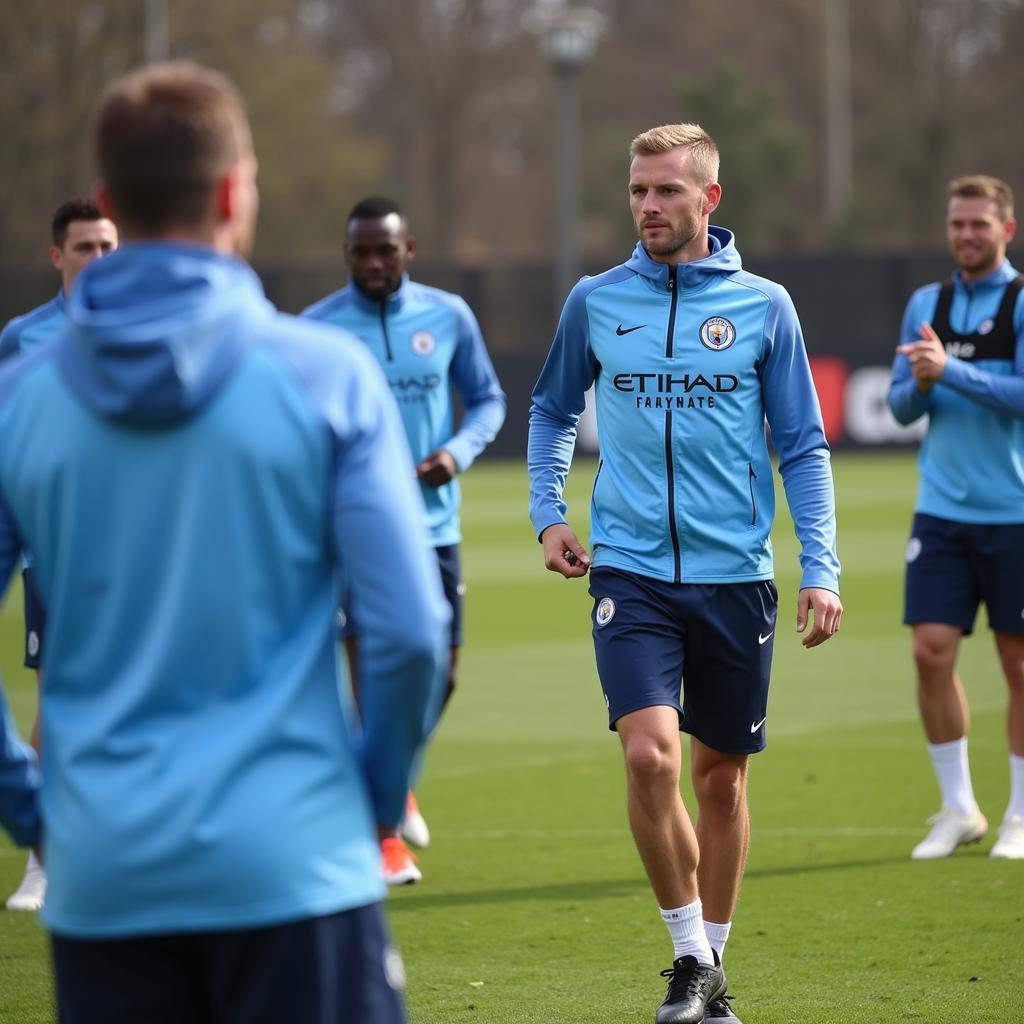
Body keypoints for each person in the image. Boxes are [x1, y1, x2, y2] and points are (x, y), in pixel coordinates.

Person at [0, 60, 449, 1024]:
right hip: (294, 865)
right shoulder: (324, 376)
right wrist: (373, 804)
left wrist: (28, 806)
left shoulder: (20, 399)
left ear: (113, 203)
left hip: (105, 879)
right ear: (235, 193)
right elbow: (410, 632)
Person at [528, 123, 842, 1024]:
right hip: (629, 573)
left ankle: (714, 971)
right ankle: (687, 958)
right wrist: (549, 516)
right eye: (637, 190)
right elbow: (551, 411)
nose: (649, 206)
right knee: (648, 754)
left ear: (710, 198)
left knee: (721, 782)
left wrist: (820, 567)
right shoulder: (594, 300)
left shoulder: (765, 307)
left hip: (736, 576)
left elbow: (804, 446)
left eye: (667, 190)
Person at [303, 196, 506, 885]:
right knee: (372, 675)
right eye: (360, 251)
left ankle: (397, 776)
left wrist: (456, 452)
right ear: (347, 254)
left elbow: (488, 400)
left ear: (408, 250)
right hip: (356, 531)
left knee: (439, 675)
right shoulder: (319, 330)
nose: (372, 262)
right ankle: (383, 839)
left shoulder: (448, 316)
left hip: (435, 525)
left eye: (384, 250)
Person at [887, 175, 1024, 862]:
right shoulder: (926, 302)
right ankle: (959, 807)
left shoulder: (1021, 301)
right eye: (956, 224)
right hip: (940, 510)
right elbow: (901, 406)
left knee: (1017, 663)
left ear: (1007, 229)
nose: (965, 235)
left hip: (1015, 513)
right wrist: (919, 379)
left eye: (978, 224)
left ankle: (1020, 818)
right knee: (930, 651)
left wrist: (952, 372)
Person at [1, 198, 118, 912]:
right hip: (56, 547)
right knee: (59, 696)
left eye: (109, 246)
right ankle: (44, 859)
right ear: (57, 257)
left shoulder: (140, 326)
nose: (100, 260)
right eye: (85, 248)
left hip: (137, 550)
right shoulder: (25, 337)